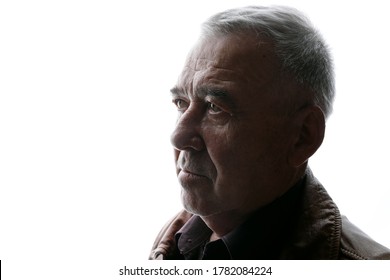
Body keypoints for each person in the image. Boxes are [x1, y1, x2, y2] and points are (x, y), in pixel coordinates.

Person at [149, 5, 390, 260]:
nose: (178, 136)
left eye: (214, 108)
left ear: (302, 136)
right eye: (181, 103)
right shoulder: (176, 238)